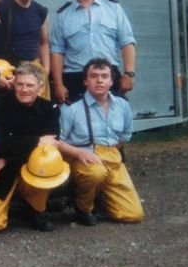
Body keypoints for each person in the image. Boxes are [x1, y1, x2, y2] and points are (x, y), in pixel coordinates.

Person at [57, 58, 144, 226]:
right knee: (95, 173)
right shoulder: (71, 107)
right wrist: (79, 153)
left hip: (112, 156)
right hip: (82, 157)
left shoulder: (122, 105)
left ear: (111, 81)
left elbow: (124, 136)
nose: (99, 80)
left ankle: (102, 198)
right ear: (85, 81)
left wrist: (108, 153)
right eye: (94, 76)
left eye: (104, 76)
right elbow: (57, 141)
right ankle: (83, 207)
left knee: (133, 215)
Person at [0, 63, 61, 233]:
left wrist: (8, 159)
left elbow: (50, 148)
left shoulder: (49, 109)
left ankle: (35, 210)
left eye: (30, 85)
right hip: (3, 172)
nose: (24, 89)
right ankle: (14, 206)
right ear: (14, 85)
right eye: (20, 84)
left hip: (32, 167)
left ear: (40, 88)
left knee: (46, 160)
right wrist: (36, 141)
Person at [51, 0, 136, 104]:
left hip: (108, 76)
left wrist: (129, 74)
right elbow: (57, 52)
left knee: (112, 123)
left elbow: (127, 42)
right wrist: (59, 84)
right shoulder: (62, 15)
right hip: (75, 79)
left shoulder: (113, 8)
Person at [0, 0, 51, 99]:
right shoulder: (0, 9)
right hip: (10, 73)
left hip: (35, 73)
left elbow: (44, 43)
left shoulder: (41, 11)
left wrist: (45, 72)